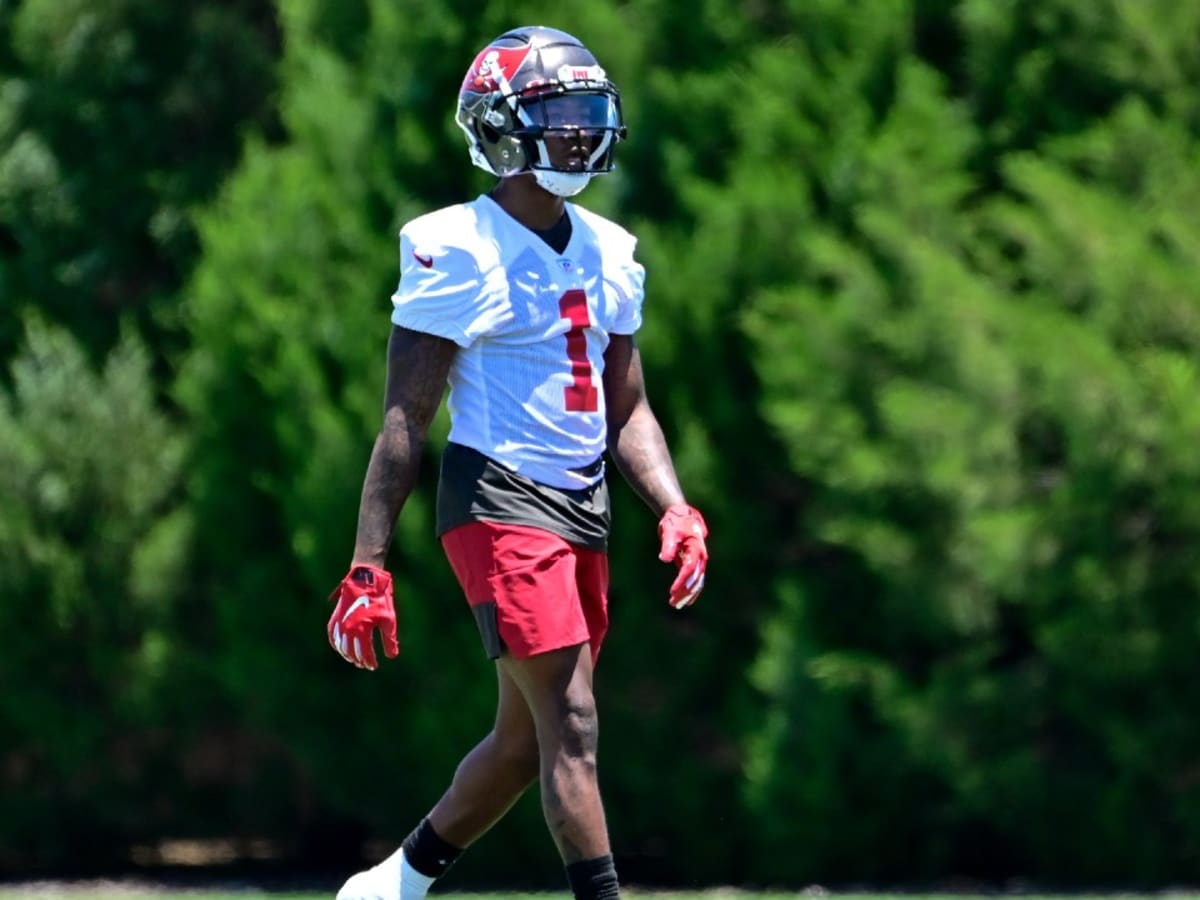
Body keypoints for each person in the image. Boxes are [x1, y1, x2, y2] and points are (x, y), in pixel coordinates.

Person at [326, 25, 709, 900]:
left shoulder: (611, 249)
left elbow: (630, 407)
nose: (579, 131)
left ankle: (393, 884)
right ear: (500, 127)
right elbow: (404, 419)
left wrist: (675, 507)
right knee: (573, 721)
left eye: (586, 111)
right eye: (557, 113)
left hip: (583, 503)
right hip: (498, 498)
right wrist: (367, 563)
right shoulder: (456, 245)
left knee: (525, 741)